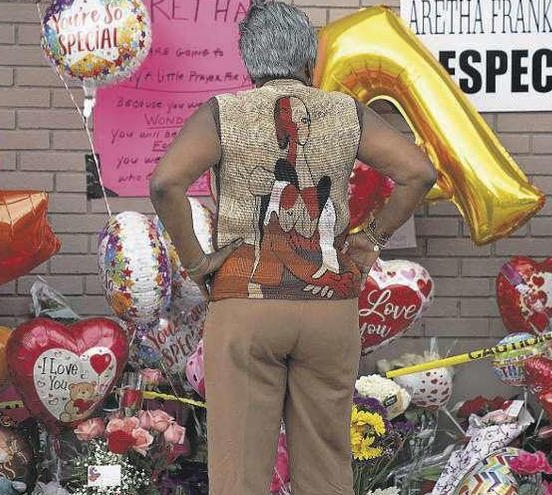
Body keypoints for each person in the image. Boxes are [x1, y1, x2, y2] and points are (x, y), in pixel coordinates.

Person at [149, 1, 436, 493]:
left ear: (248, 61)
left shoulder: (224, 113)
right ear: (310, 61)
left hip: (247, 304)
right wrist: (371, 239)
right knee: (326, 466)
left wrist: (198, 262)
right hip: (329, 305)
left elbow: (165, 184)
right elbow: (418, 173)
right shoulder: (347, 113)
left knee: (239, 471)